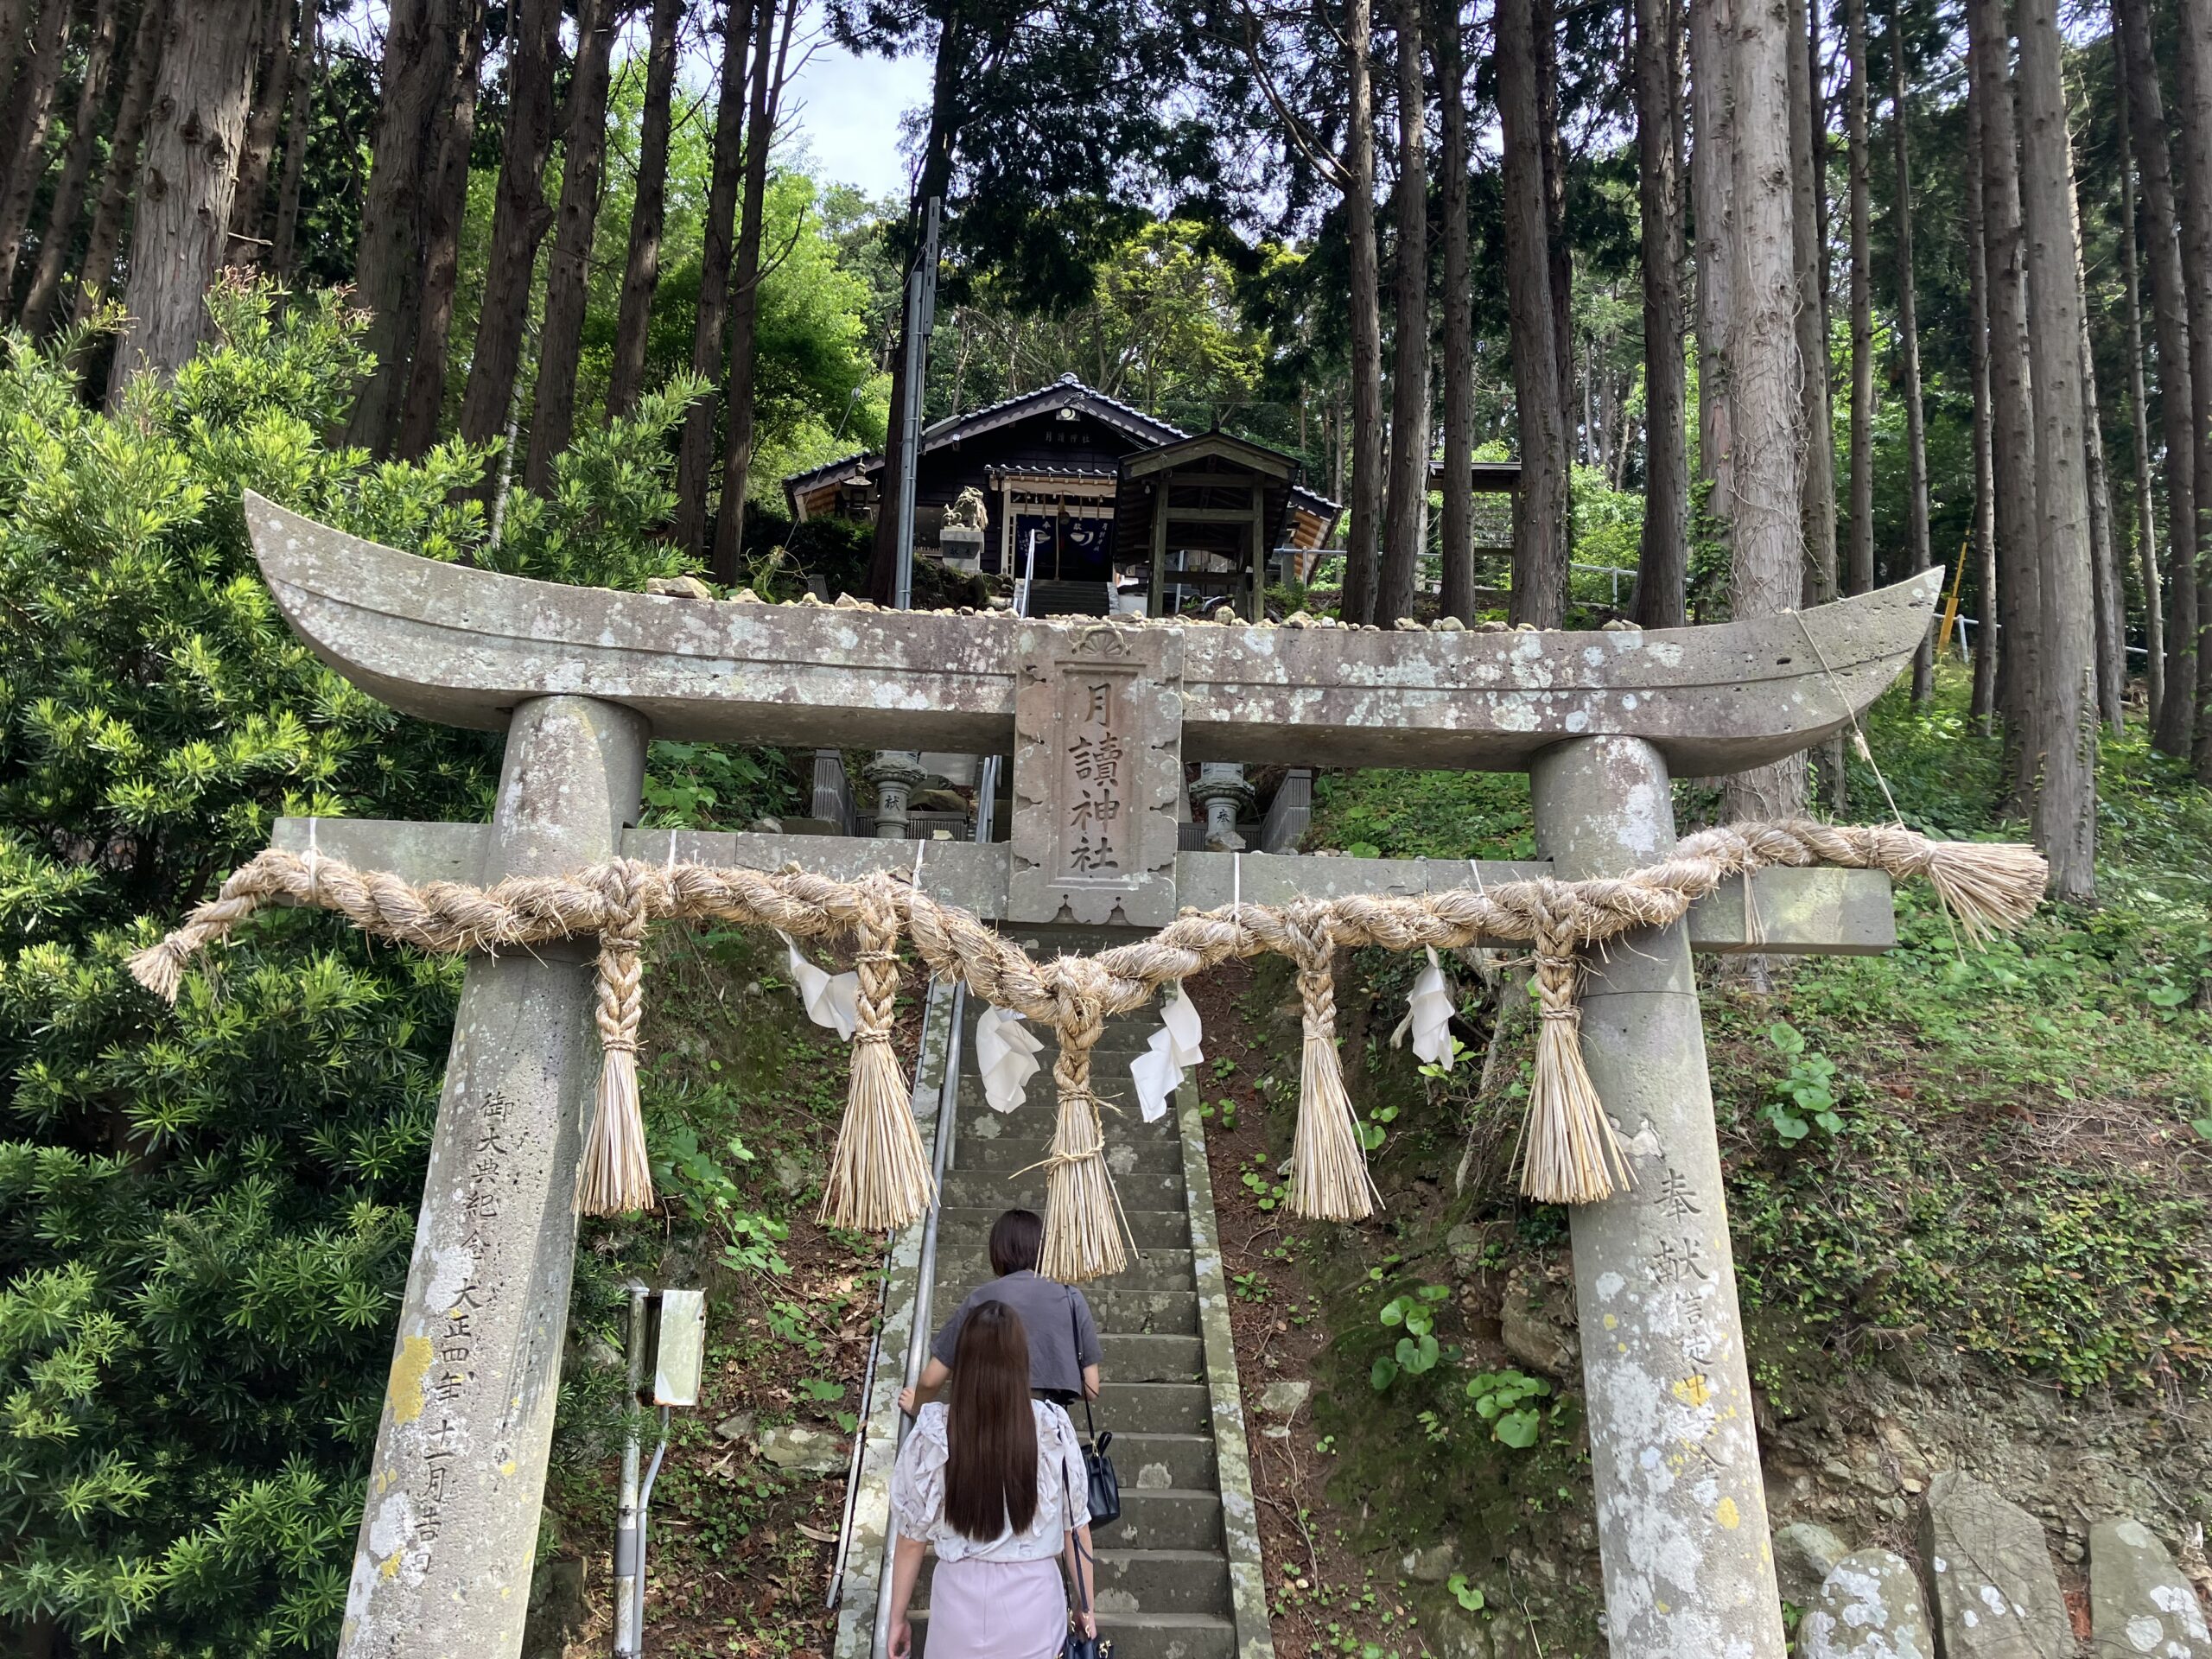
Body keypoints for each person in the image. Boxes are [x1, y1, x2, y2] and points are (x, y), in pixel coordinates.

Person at [887, 1302, 1096, 1659]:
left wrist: (896, 1618)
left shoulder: (935, 1433)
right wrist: (1086, 1606)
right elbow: (1074, 1528)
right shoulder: (1052, 1428)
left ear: (962, 1362)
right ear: (1021, 1361)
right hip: (1034, 1606)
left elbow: (910, 1540)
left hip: (957, 1609)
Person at [900, 1209, 1101, 1412]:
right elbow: (1091, 1388)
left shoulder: (981, 1298)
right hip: (1049, 1430)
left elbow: (930, 1381)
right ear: (1043, 1249)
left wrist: (915, 1406)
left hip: (989, 1425)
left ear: (997, 1250)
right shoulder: (1071, 1298)